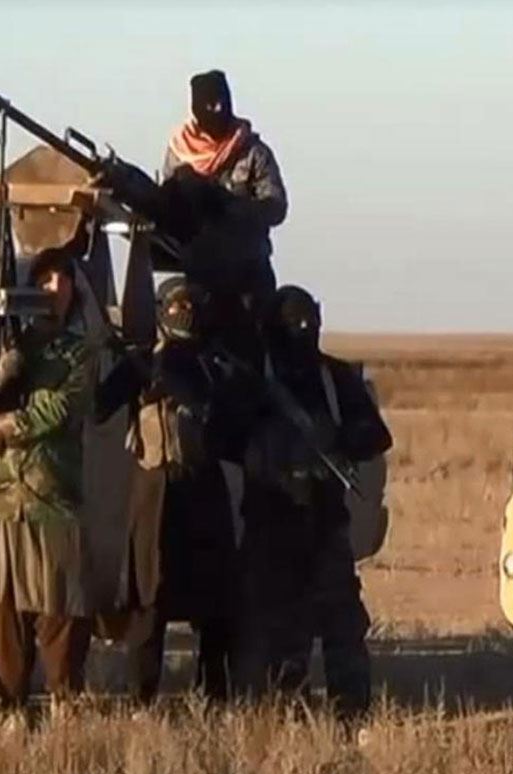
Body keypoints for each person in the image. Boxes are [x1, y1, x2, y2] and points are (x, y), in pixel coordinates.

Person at [238, 285, 391, 721]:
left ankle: (351, 709)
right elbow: (222, 436)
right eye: (295, 324)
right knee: (280, 627)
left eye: (309, 323)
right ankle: (285, 708)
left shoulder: (334, 378)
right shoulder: (254, 380)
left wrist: (340, 439)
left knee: (342, 622)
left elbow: (377, 436)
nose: (304, 332)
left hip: (324, 524)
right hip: (272, 524)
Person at [0, 249, 94, 719]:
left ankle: (63, 702)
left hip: (50, 498)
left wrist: (4, 425)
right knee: (0, 611)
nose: (54, 288)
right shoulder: (0, 347)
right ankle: (11, 707)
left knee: (59, 611)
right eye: (45, 279)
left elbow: (62, 408)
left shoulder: (78, 352)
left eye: (63, 279)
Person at [94, 280, 242, 705]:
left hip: (203, 485)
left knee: (216, 595)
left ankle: (214, 693)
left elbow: (227, 418)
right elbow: (98, 407)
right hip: (154, 488)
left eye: (190, 307)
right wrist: (136, 376)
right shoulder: (143, 361)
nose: (184, 315)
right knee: (148, 595)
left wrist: (178, 381)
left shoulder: (213, 363)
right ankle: (142, 696)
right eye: (177, 307)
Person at [162, 69, 288, 358]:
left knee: (257, 355)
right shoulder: (179, 152)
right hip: (199, 275)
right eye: (209, 105)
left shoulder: (253, 152)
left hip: (249, 275)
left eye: (222, 103)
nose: (217, 111)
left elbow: (276, 207)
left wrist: (229, 205)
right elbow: (167, 212)